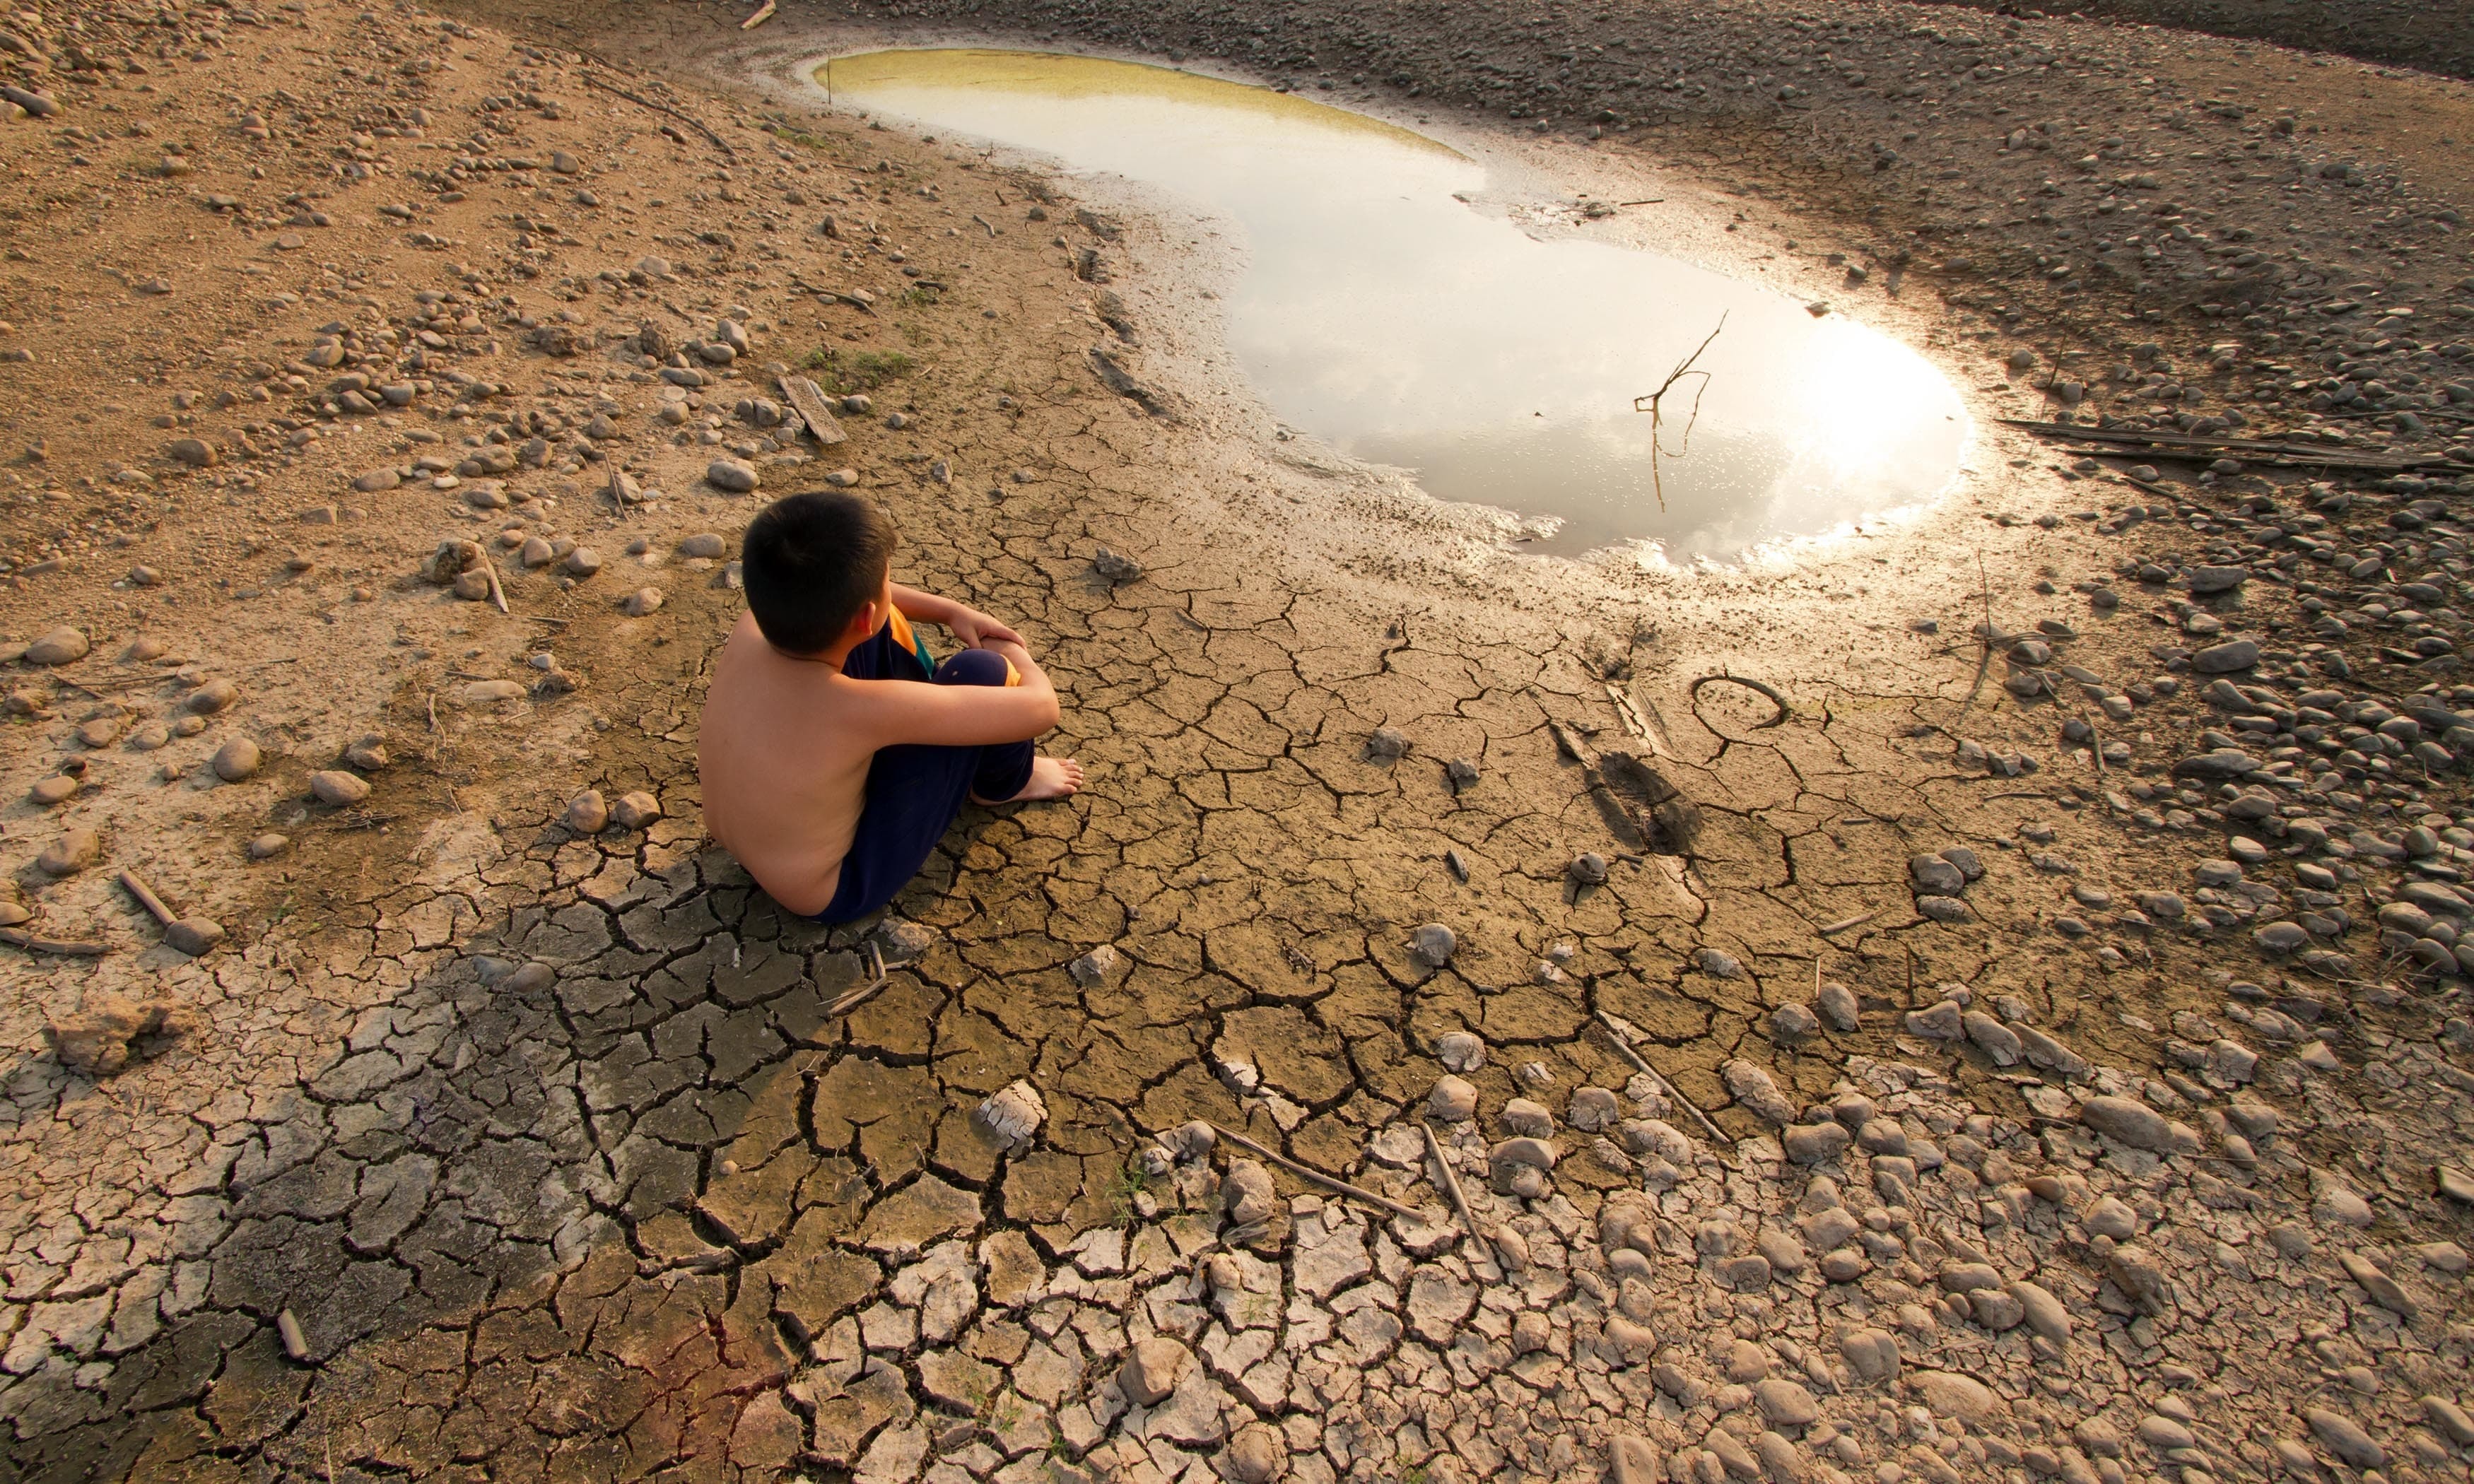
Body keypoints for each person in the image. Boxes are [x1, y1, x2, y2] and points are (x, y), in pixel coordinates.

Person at [699, 490, 1081, 921]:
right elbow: (1042, 708)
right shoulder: (859, 710)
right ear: (864, 613)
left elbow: (863, 600)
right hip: (836, 887)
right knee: (983, 670)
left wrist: (950, 612)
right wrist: (1014, 652)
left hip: (753, 844)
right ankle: (1006, 785)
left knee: (872, 624)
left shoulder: (754, 624)